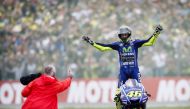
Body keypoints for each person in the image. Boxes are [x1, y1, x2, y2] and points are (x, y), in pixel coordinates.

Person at [82, 25, 163, 108]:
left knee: (140, 91)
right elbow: (103, 48)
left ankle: (141, 106)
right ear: (119, 36)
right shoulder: (118, 44)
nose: (124, 36)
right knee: (117, 94)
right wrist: (91, 42)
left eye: (125, 34)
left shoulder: (135, 43)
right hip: (123, 72)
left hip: (134, 70)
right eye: (122, 35)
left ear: (129, 34)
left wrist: (156, 33)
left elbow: (149, 42)